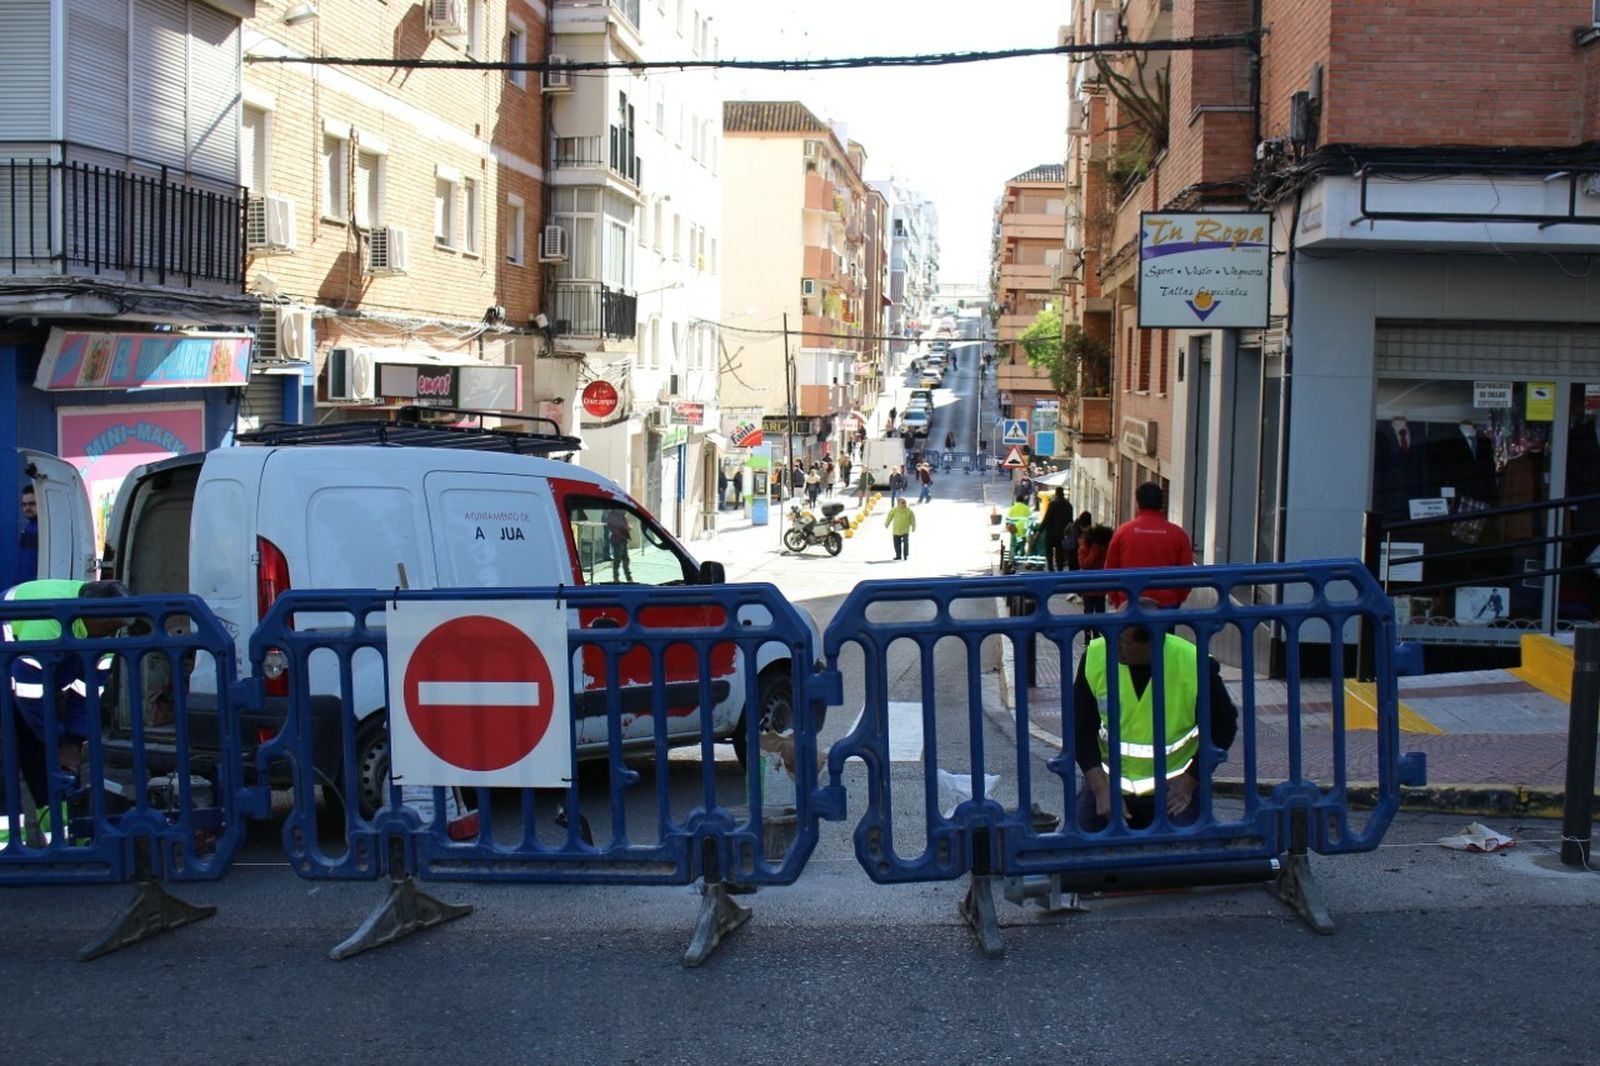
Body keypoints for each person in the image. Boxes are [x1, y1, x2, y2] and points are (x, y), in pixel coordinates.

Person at [1071, 605, 1238, 830]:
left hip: (1172, 788)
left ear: (1152, 642)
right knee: (1080, 846)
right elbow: (1079, 727)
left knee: (1182, 855)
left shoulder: (1194, 664)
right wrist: (1100, 788)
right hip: (1108, 784)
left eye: (1122, 640)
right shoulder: (1096, 656)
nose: (1112, 644)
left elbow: (1223, 727)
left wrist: (1190, 780)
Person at [3, 579, 129, 834]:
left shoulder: (104, 625)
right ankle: (6, 852)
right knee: (5, 761)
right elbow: (30, 694)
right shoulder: (48, 617)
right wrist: (57, 740)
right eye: (111, 628)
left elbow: (88, 691)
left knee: (54, 765)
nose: (112, 636)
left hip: (29, 679)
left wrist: (72, 741)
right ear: (96, 619)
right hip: (11, 668)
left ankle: (62, 840)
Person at [1105, 482, 1195, 608]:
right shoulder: (1178, 534)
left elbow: (1110, 570)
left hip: (1130, 603)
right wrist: (1177, 598)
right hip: (1167, 606)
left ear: (1138, 502)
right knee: (1164, 629)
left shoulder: (1123, 532)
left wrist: (1117, 600)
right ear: (1161, 503)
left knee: (1132, 629)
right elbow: (1187, 574)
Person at [1078, 519, 1113, 624]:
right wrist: (1095, 551)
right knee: (1090, 612)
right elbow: (1085, 564)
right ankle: (1089, 634)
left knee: (1098, 612)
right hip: (1091, 585)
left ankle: (1095, 633)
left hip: (1096, 585)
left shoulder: (1102, 549)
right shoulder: (1087, 549)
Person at [1032, 486, 1072, 571]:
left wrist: (1039, 531)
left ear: (1056, 494)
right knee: (1060, 555)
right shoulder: (1069, 506)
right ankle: (1060, 570)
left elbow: (1046, 519)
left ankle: (1051, 569)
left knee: (1049, 553)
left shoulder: (1052, 504)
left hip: (1051, 534)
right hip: (1062, 534)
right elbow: (1070, 521)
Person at [14, 486, 38, 587]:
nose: (27, 508)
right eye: (24, 504)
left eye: (32, 504)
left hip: (37, 587)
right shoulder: (27, 528)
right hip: (23, 586)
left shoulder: (47, 528)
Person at [603, 509, 634, 582]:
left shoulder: (622, 515)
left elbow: (625, 525)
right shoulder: (613, 515)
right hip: (617, 540)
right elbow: (616, 527)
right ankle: (616, 578)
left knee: (626, 559)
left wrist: (628, 527)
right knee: (617, 560)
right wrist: (626, 528)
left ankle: (628, 578)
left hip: (623, 539)